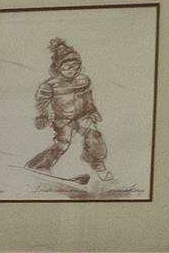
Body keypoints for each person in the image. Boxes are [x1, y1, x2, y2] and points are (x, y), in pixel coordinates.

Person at [28, 36, 111, 185]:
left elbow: (88, 98)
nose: (73, 71)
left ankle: (98, 165)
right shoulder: (51, 84)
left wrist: (92, 110)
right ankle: (42, 165)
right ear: (58, 68)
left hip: (82, 116)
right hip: (63, 119)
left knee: (94, 136)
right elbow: (41, 101)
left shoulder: (83, 80)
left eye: (76, 67)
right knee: (63, 142)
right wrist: (43, 115)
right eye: (68, 68)